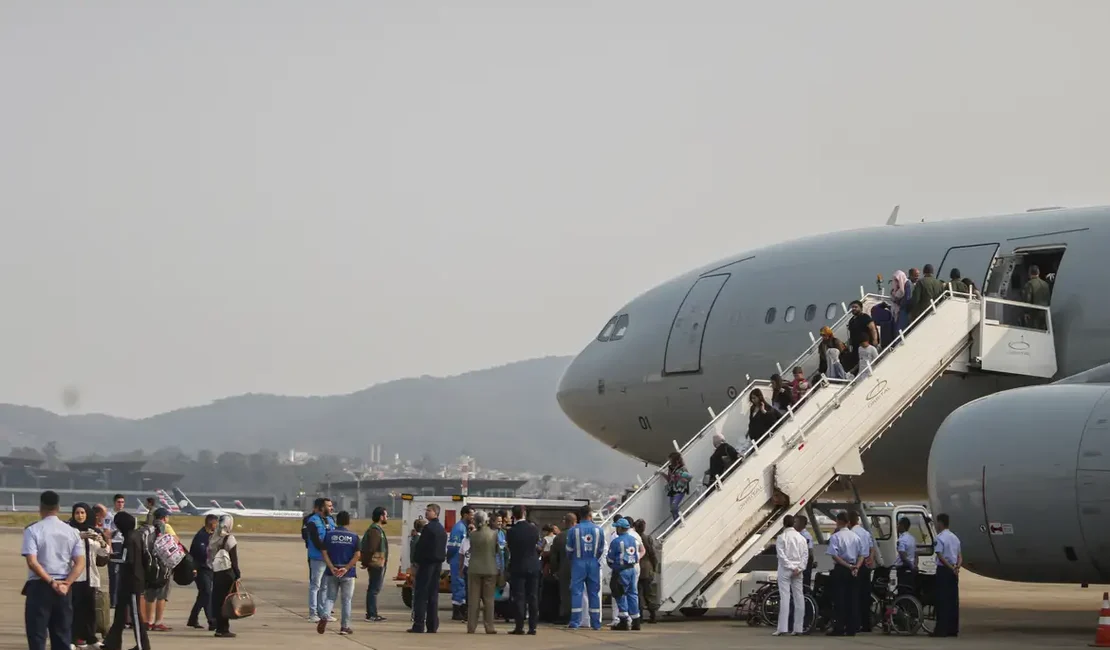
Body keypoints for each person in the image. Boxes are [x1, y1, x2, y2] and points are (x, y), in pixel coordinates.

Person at [23, 490, 85, 650]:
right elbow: (80, 562)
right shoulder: (72, 532)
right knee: (62, 634)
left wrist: (51, 581)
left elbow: (32, 561)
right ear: (58, 507)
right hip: (64, 587)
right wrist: (67, 583)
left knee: (37, 635)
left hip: (40, 585)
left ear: (41, 507)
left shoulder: (33, 530)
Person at [101, 510, 151, 650]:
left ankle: (143, 646)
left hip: (132, 583)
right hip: (127, 582)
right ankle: (112, 643)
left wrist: (108, 557)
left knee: (135, 616)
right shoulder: (134, 535)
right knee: (120, 615)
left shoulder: (130, 539)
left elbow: (125, 559)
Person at [70, 502, 109, 648]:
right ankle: (73, 638)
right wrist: (78, 537)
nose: (80, 516)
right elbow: (63, 548)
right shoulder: (69, 531)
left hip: (91, 576)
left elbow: (104, 553)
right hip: (75, 576)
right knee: (75, 608)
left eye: (82, 513)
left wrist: (102, 542)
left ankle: (90, 637)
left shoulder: (94, 531)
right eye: (77, 513)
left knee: (90, 608)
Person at [318, 511, 360, 635]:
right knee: (346, 600)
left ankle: (325, 615)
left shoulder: (329, 535)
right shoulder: (354, 536)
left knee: (330, 597)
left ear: (337, 521)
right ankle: (345, 627)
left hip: (332, 571)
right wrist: (346, 568)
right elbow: (357, 555)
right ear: (348, 521)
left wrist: (331, 567)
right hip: (347, 573)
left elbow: (324, 552)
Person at [409, 503, 447, 634]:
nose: (426, 512)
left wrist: (416, 562)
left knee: (421, 595)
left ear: (435, 513)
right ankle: (432, 625)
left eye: (429, 510)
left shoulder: (428, 529)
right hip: (437, 564)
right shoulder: (441, 529)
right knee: (433, 595)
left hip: (427, 565)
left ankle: (418, 625)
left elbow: (421, 548)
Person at [825, 512, 863, 637]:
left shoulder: (836, 537)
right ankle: (852, 628)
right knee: (852, 599)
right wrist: (856, 566)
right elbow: (862, 554)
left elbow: (834, 555)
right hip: (854, 569)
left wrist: (847, 566)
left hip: (842, 569)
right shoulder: (855, 537)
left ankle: (839, 627)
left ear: (838, 521)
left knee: (839, 599)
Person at [566, 507, 603, 630]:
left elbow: (569, 550)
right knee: (594, 593)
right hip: (593, 562)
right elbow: (600, 550)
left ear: (579, 515)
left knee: (577, 592)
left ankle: (575, 622)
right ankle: (596, 623)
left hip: (578, 563)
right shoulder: (599, 530)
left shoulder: (573, 530)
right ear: (590, 514)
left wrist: (574, 560)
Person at [506, 504, 540, 635]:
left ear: (513, 516)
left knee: (519, 597)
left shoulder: (511, 531)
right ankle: (533, 627)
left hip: (518, 565)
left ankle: (519, 626)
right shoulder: (534, 529)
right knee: (533, 597)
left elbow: (510, 548)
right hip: (533, 565)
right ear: (524, 513)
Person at [773, 515, 807, 637]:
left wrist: (791, 567)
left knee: (785, 598)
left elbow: (781, 556)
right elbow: (805, 555)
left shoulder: (781, 537)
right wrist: (799, 568)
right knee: (799, 597)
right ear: (794, 523)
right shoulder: (802, 538)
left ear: (784, 524)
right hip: (798, 570)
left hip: (785, 570)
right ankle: (798, 628)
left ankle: (783, 628)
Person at [465, 510, 499, 634]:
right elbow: (496, 551)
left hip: (474, 568)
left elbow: (471, 549)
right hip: (490, 568)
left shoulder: (472, 535)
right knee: (489, 600)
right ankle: (489, 626)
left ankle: (471, 626)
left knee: (473, 600)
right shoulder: (494, 534)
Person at [208, 513, 241, 638]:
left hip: (216, 572)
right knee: (226, 601)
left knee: (218, 600)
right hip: (227, 573)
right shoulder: (230, 539)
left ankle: (219, 627)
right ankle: (224, 629)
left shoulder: (213, 537)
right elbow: (234, 558)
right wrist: (237, 574)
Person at [304, 498, 336, 623]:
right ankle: (313, 613)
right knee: (315, 586)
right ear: (322, 507)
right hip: (317, 558)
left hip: (328, 559)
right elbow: (316, 540)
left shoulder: (331, 520)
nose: (331, 508)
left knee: (325, 587)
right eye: (329, 506)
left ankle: (323, 613)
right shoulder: (312, 521)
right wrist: (325, 551)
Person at [848, 511, 880, 633]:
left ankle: (856, 623)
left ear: (850, 522)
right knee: (865, 595)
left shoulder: (852, 533)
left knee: (855, 596)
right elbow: (872, 548)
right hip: (866, 566)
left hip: (857, 565)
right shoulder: (865, 533)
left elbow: (853, 551)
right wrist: (870, 558)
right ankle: (867, 624)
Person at [606, 519, 640, 631]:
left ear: (620, 528)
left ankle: (624, 621)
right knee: (633, 594)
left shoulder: (616, 542)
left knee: (620, 594)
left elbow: (610, 559)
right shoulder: (634, 540)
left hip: (621, 571)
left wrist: (614, 567)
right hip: (632, 570)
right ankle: (636, 622)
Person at [144, 509, 175, 632]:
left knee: (150, 595)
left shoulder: (148, 529)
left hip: (150, 565)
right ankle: (158, 622)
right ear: (164, 518)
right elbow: (175, 541)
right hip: (163, 566)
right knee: (162, 595)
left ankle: (148, 622)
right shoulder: (166, 527)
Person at [932, 513, 962, 638]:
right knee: (953, 601)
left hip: (944, 570)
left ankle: (941, 630)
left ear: (940, 523)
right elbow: (960, 556)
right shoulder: (955, 538)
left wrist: (950, 568)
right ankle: (952, 629)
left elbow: (940, 555)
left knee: (942, 601)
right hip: (954, 572)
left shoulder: (939, 538)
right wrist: (956, 567)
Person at [187, 514, 219, 631]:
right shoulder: (201, 536)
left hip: (209, 569)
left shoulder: (212, 535)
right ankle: (212, 621)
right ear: (211, 524)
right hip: (200, 569)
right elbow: (198, 554)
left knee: (203, 595)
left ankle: (193, 618)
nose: (217, 526)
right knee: (207, 593)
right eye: (216, 523)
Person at [360, 507, 388, 623]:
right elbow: (371, 548)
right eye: (386, 515)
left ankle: (372, 613)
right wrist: (366, 562)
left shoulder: (377, 529)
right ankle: (371, 614)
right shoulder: (375, 530)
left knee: (374, 588)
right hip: (376, 563)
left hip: (378, 563)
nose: (387, 517)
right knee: (374, 589)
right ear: (381, 516)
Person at [446, 505, 473, 621]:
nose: (473, 517)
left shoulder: (466, 528)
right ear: (465, 514)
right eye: (471, 514)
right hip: (457, 561)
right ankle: (456, 611)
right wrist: (450, 559)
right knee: (458, 585)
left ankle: (461, 609)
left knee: (462, 586)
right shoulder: (459, 528)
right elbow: (452, 547)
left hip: (463, 561)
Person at [548, 513, 574, 625]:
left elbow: (553, 556)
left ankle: (566, 615)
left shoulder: (561, 536)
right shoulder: (581, 534)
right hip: (580, 568)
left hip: (564, 568)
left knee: (565, 593)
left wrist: (554, 570)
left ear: (566, 521)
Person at [633, 519, 659, 624]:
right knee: (649, 593)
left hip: (637, 567)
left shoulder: (634, 538)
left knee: (638, 594)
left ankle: (640, 617)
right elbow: (652, 554)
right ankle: (653, 615)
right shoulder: (647, 538)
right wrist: (654, 566)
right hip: (647, 568)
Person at [105, 494, 127, 610]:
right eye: (118, 502)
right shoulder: (109, 515)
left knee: (123, 574)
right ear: (114, 503)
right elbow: (107, 531)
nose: (120, 504)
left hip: (124, 544)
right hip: (114, 543)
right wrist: (109, 547)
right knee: (114, 574)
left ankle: (120, 600)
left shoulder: (125, 515)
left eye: (122, 502)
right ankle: (113, 600)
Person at [846, 300, 878, 372]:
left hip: (865, 344)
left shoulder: (865, 317)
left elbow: (873, 329)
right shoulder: (851, 320)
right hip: (856, 347)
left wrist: (875, 340)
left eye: (856, 307)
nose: (853, 309)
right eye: (852, 307)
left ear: (861, 308)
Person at [660, 452, 691, 522]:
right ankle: (676, 521)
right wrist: (661, 473)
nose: (669, 462)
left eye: (670, 460)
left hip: (680, 489)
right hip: (673, 489)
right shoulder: (670, 468)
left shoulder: (682, 468)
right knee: (672, 508)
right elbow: (669, 479)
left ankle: (679, 520)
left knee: (674, 506)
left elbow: (688, 478)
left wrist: (678, 477)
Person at [893, 517, 917, 593]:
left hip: (903, 568)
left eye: (898, 524)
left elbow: (902, 556)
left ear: (902, 526)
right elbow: (916, 554)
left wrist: (911, 566)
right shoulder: (912, 538)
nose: (897, 526)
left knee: (902, 590)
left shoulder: (902, 540)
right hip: (911, 568)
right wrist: (915, 565)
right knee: (910, 589)